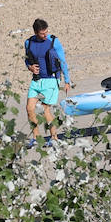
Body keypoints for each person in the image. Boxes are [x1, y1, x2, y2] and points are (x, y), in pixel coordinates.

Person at [23, 18, 72, 148]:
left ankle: (54, 138)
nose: (45, 35)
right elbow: (27, 60)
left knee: (45, 110)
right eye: (42, 33)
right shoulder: (28, 42)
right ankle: (36, 137)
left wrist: (67, 81)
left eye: (46, 32)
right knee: (29, 109)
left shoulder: (54, 41)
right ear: (35, 32)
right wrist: (30, 67)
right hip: (36, 80)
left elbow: (62, 61)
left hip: (51, 80)